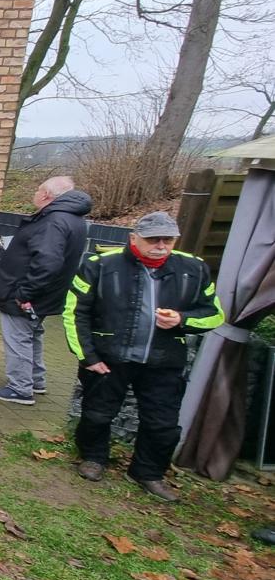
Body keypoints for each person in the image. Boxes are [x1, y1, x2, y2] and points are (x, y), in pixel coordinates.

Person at [65, 211, 223, 502]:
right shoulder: (100, 265)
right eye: (153, 239)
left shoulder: (194, 268)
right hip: (110, 357)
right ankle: (94, 457)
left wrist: (182, 319)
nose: (161, 246)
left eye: (168, 240)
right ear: (134, 238)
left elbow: (214, 315)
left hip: (164, 361)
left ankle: (148, 472)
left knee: (162, 422)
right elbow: (75, 312)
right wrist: (88, 356)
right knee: (97, 413)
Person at [0, 176, 93, 405]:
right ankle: (36, 380)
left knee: (18, 337)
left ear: (45, 195)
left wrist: (25, 293)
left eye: (38, 189)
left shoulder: (53, 221)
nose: (35, 193)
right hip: (47, 293)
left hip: (25, 294)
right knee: (33, 334)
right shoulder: (72, 219)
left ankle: (20, 388)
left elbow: (47, 262)